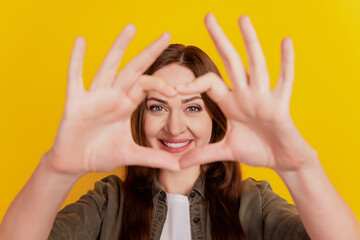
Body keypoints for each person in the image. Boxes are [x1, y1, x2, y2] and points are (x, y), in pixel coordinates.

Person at [0, 13, 359, 240]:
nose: (175, 127)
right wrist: (56, 169)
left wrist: (301, 167)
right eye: (157, 106)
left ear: (214, 120)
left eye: (192, 107)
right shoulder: (108, 201)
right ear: (139, 116)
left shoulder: (255, 203)